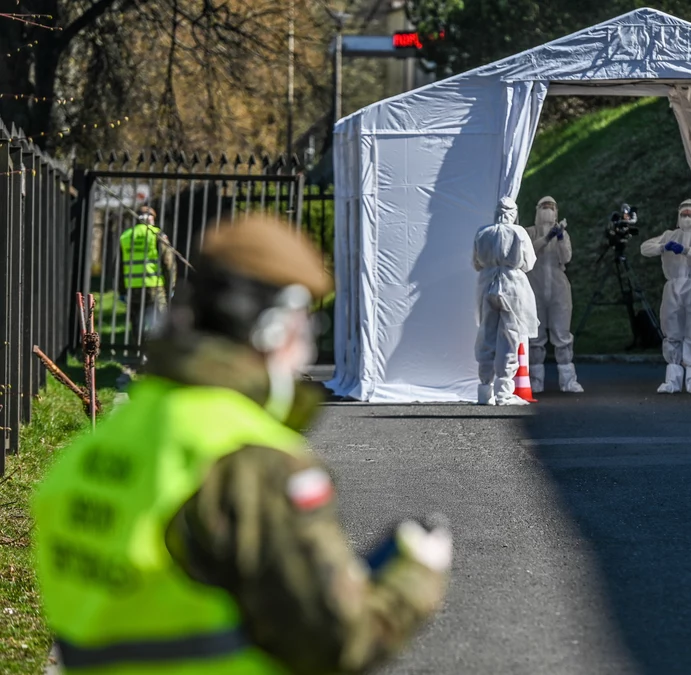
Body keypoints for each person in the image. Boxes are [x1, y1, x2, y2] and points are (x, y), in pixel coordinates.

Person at [32, 214, 452, 674]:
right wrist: (416, 575)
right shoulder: (250, 460)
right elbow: (334, 640)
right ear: (273, 328)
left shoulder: (98, 445)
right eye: (305, 324)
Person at [640, 199, 691, 394]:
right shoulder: (669, 235)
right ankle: (672, 381)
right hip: (673, 288)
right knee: (672, 332)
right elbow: (645, 248)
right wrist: (663, 247)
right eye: (684, 214)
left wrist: (686, 250)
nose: (687, 218)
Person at [473, 197, 539, 405]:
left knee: (487, 333)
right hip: (512, 286)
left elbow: (476, 262)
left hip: (487, 285)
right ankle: (503, 392)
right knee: (510, 336)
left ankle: (485, 390)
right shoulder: (519, 233)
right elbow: (528, 263)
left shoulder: (483, 232)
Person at [524, 196, 583, 394]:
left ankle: (568, 381)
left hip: (558, 288)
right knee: (535, 336)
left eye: (551, 207)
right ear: (537, 210)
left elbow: (566, 257)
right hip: (534, 287)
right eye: (544, 207)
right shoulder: (528, 233)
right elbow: (527, 251)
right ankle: (535, 381)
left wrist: (558, 237)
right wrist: (547, 237)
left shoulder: (563, 235)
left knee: (562, 334)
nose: (547, 210)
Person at [119, 205, 177, 339]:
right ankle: (153, 353)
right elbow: (168, 263)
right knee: (158, 320)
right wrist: (171, 286)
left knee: (137, 321)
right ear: (152, 218)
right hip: (154, 286)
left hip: (132, 286)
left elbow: (119, 266)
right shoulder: (157, 235)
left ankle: (140, 350)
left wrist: (121, 290)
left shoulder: (126, 236)